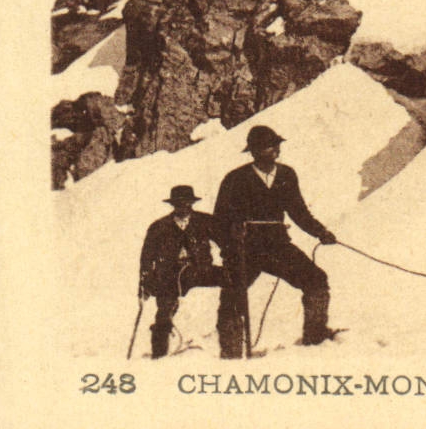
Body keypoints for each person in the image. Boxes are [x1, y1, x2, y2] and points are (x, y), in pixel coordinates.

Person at [214, 125, 338, 358]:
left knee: (316, 279)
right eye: (270, 145)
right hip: (244, 249)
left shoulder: (287, 175)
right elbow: (218, 221)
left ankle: (316, 338)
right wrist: (231, 242)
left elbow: (298, 212)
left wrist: (321, 232)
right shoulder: (235, 179)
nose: (276, 149)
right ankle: (230, 354)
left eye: (277, 144)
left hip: (277, 246)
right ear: (254, 151)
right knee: (231, 295)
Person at [138, 185, 224, 359]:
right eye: (179, 204)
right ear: (173, 205)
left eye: (187, 203)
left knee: (231, 282)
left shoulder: (205, 221)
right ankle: (159, 355)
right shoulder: (159, 227)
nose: (183, 207)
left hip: (201, 271)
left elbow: (226, 242)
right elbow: (146, 258)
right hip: (168, 276)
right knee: (164, 312)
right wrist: (145, 283)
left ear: (192, 203)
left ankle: (230, 344)